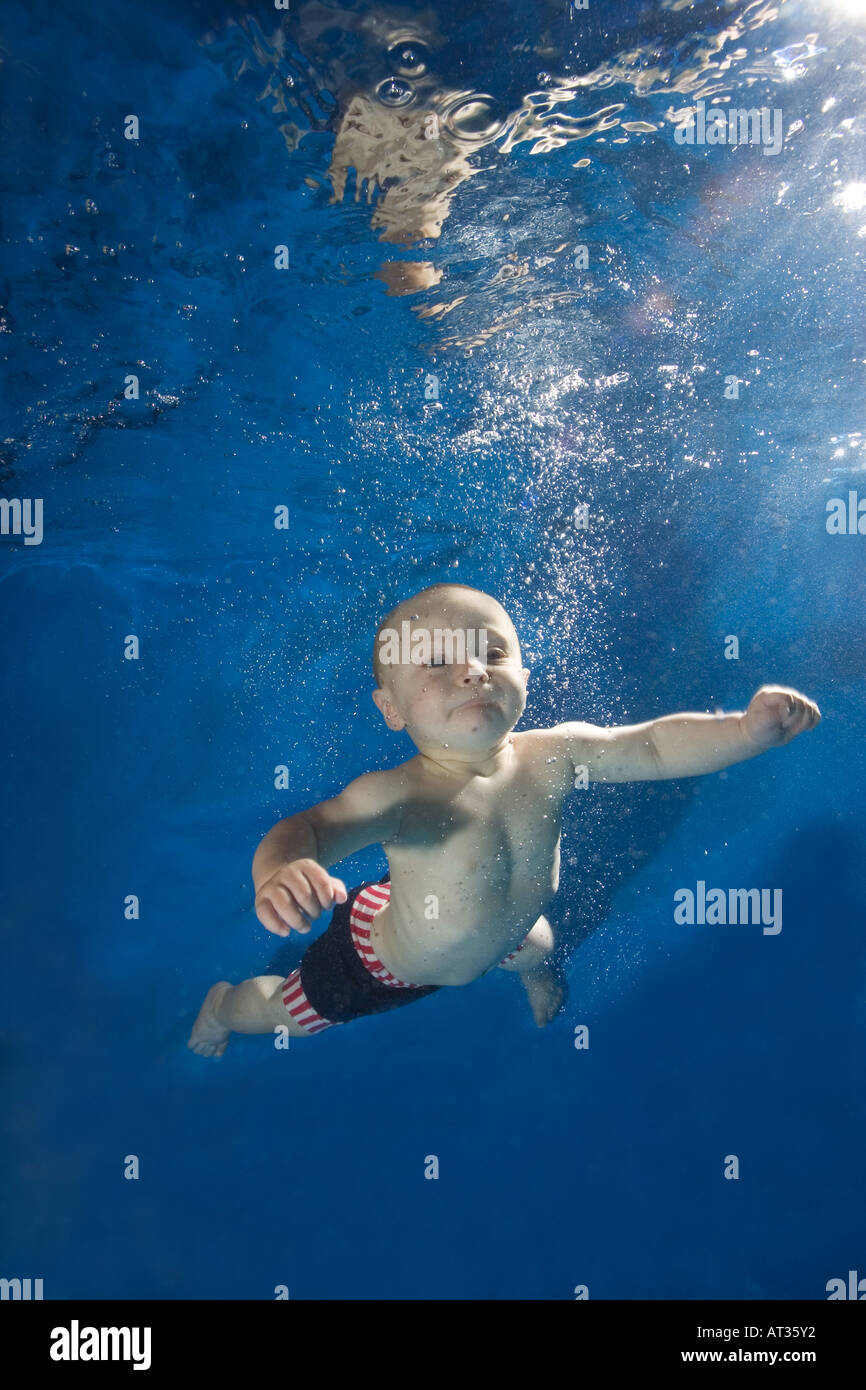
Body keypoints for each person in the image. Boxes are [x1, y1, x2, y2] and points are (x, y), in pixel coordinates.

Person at [189, 582, 820, 1055]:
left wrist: (743, 731)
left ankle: (534, 973)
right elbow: (311, 830)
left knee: (537, 943)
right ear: (392, 709)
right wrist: (279, 871)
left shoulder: (555, 755)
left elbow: (653, 745)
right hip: (383, 961)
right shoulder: (402, 796)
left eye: (491, 651)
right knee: (280, 1015)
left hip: (505, 931)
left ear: (523, 672)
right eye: (436, 661)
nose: (471, 669)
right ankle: (221, 1008)